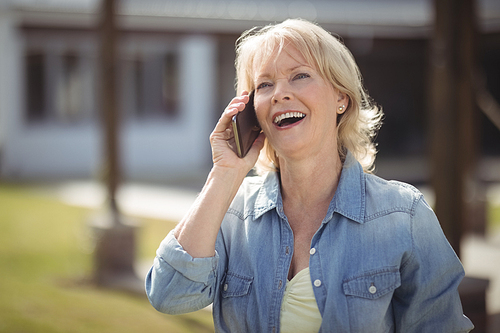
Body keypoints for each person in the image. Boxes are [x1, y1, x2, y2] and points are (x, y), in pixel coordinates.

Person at [146, 18, 474, 332]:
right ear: (251, 111)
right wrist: (225, 173)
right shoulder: (229, 214)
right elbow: (169, 294)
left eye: (300, 76)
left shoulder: (405, 215)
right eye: (264, 84)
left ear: (340, 98)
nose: (279, 94)